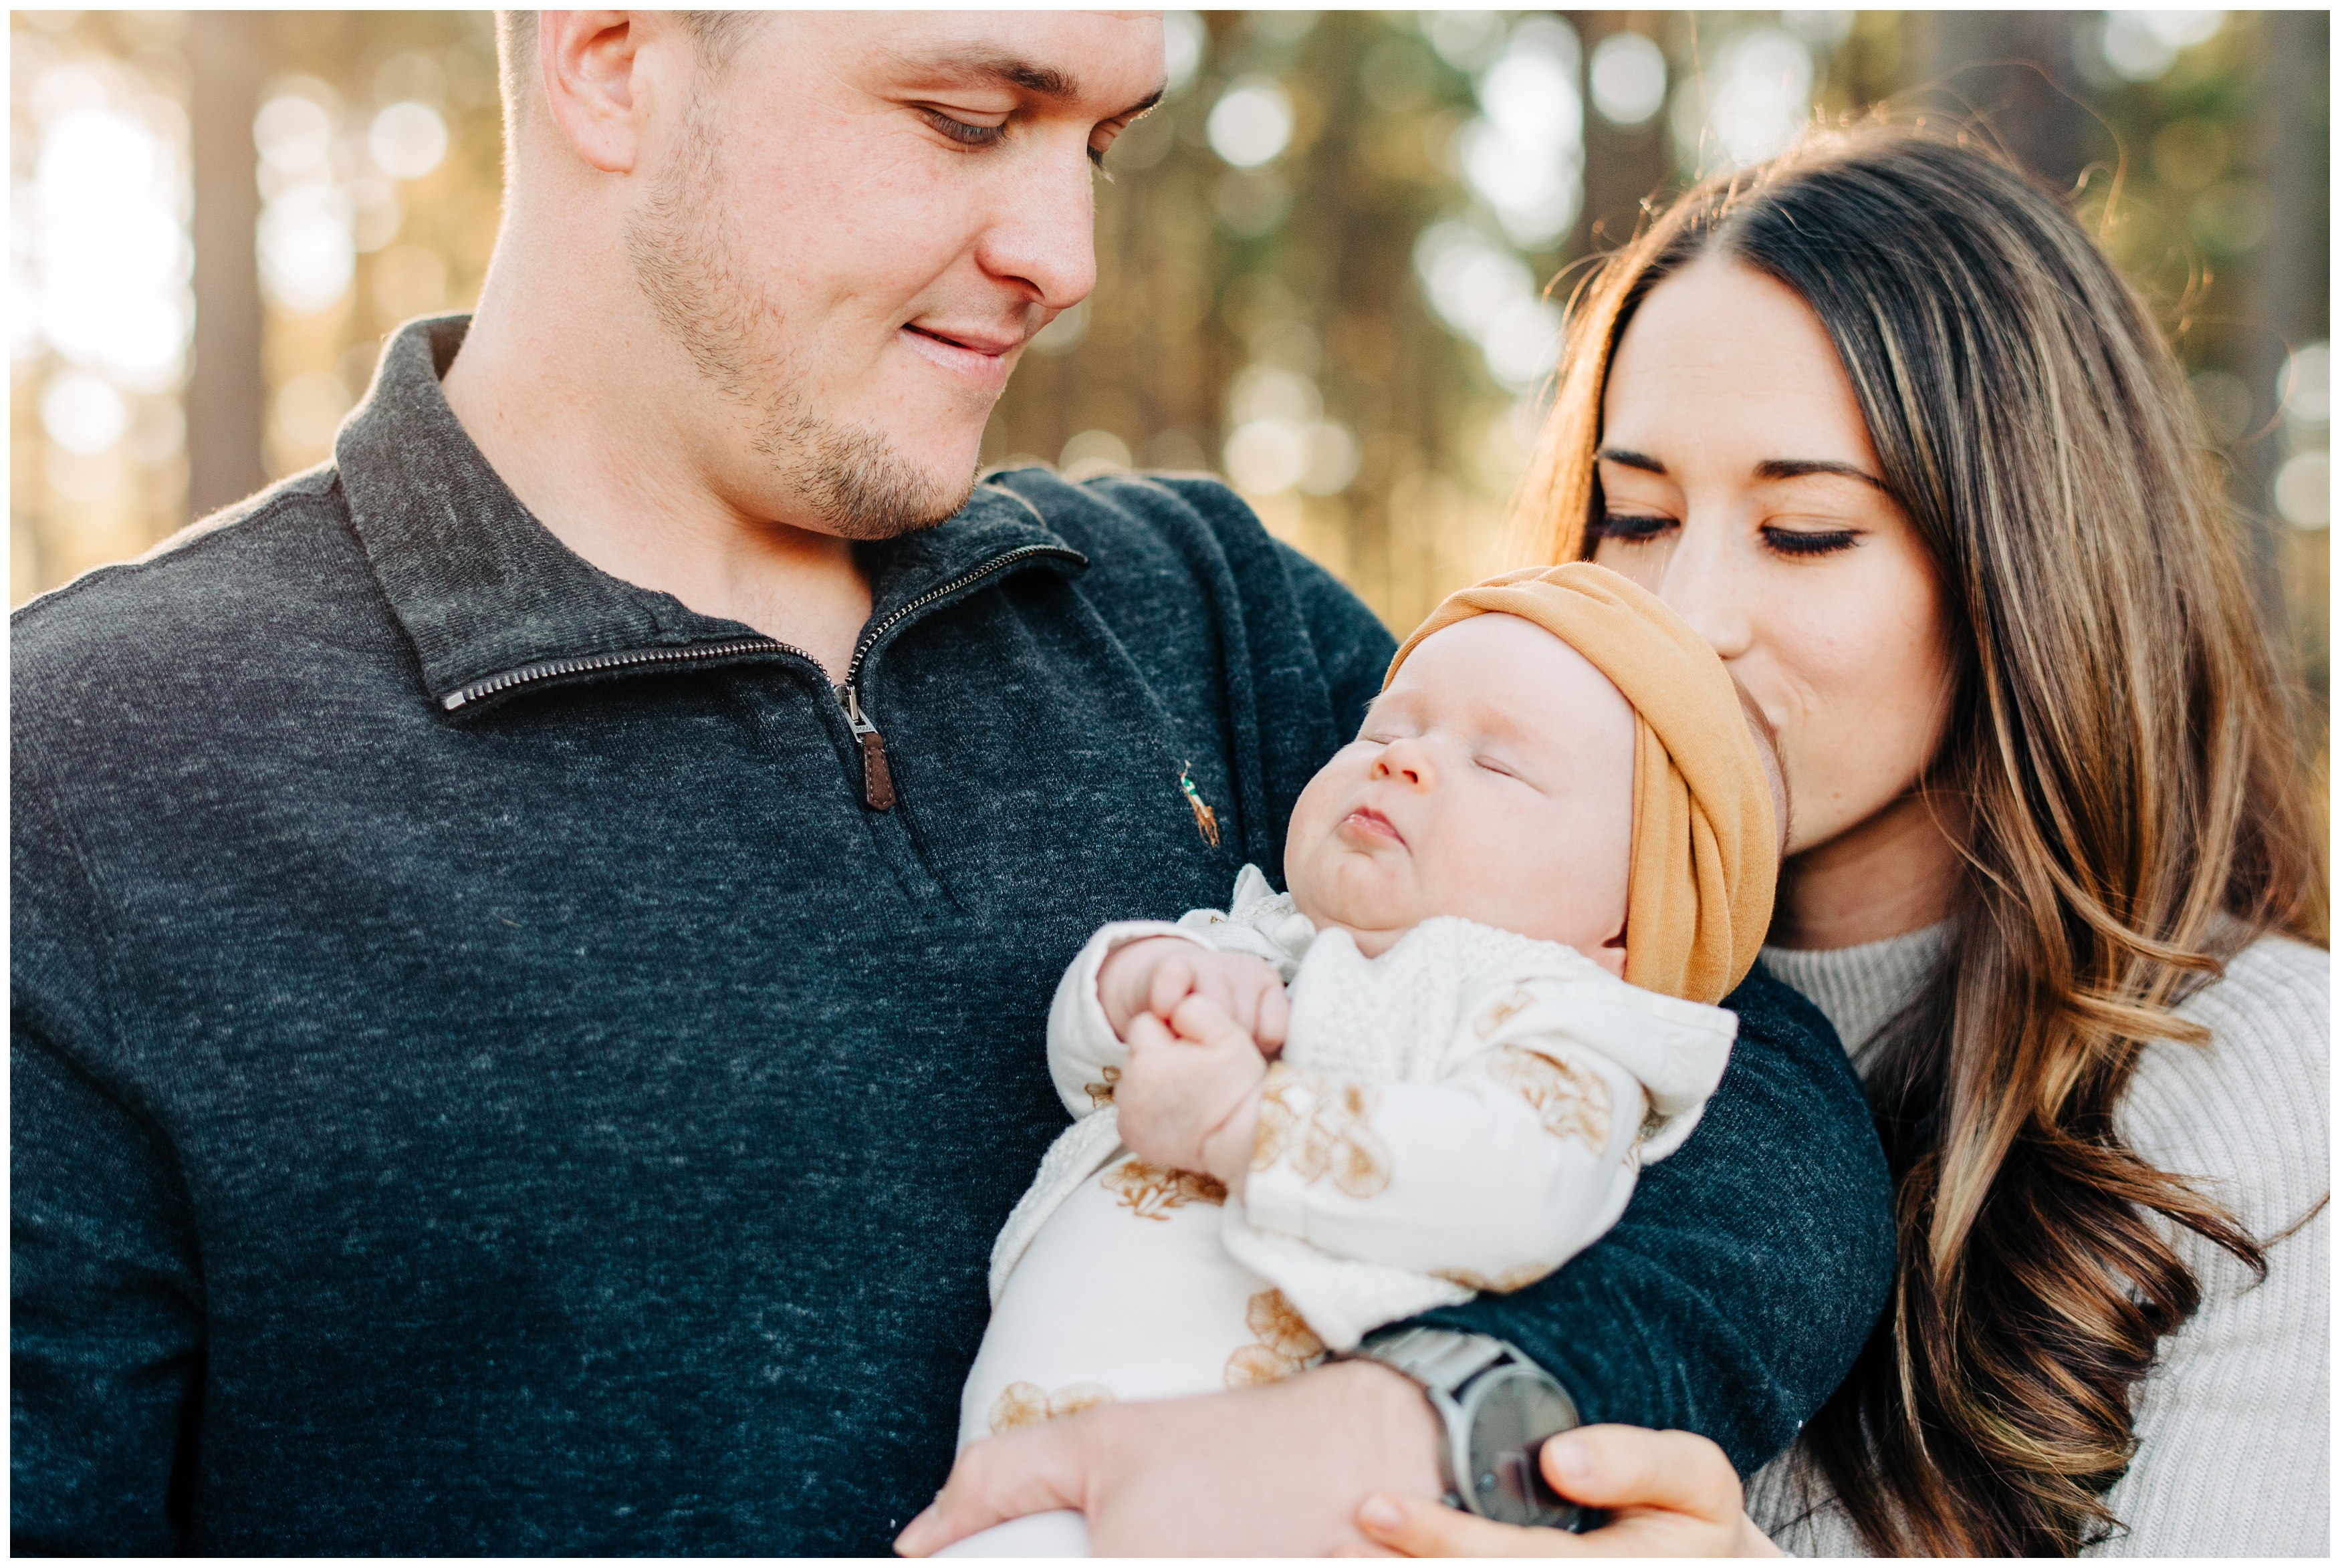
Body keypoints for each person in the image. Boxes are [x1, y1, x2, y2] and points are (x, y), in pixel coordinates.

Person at [12, 13, 1886, 1556]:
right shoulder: (82, 777)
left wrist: (1431, 1421)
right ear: (608, 55)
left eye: (1102, 145)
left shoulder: (1207, 615)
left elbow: (1747, 1096)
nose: (1062, 257)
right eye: (968, 118)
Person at [1346, 125, 2329, 1557]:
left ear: (2024, 564)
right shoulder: (1457, 946)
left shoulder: (2268, 1093)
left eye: (1803, 530)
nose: (1685, 614)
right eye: (1636, 516)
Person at [943, 568, 1790, 1554]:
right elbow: (1094, 1080)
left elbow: (1515, 1182)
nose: (1407, 763)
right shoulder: (1265, 940)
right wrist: (1138, 981)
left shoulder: (1558, 1022)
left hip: (1247, 1502)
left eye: (1500, 765)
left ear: (1627, 928)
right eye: (1384, 733)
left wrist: (1250, 1125)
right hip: (1024, 1472)